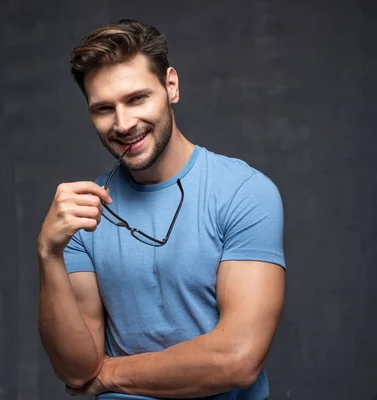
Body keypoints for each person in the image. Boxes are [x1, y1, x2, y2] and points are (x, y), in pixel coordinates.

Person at [37, 18, 286, 400]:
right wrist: (49, 253)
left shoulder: (243, 192)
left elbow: (238, 358)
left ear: (171, 86)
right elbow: (75, 369)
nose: (123, 124)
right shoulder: (82, 214)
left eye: (137, 98)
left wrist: (108, 374)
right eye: (103, 108)